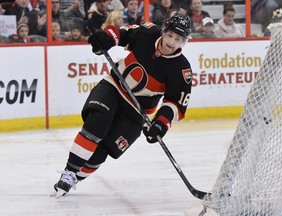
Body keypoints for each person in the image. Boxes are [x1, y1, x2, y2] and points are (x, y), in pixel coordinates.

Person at [51, 13, 192, 198]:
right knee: (97, 125)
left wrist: (160, 124)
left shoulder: (181, 69)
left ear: (184, 42)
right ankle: (69, 172)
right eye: (170, 35)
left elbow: (175, 103)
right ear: (164, 32)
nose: (172, 42)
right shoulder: (148, 33)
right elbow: (123, 34)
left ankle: (75, 177)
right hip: (114, 88)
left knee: (104, 150)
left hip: (137, 112)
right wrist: (106, 38)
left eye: (178, 39)